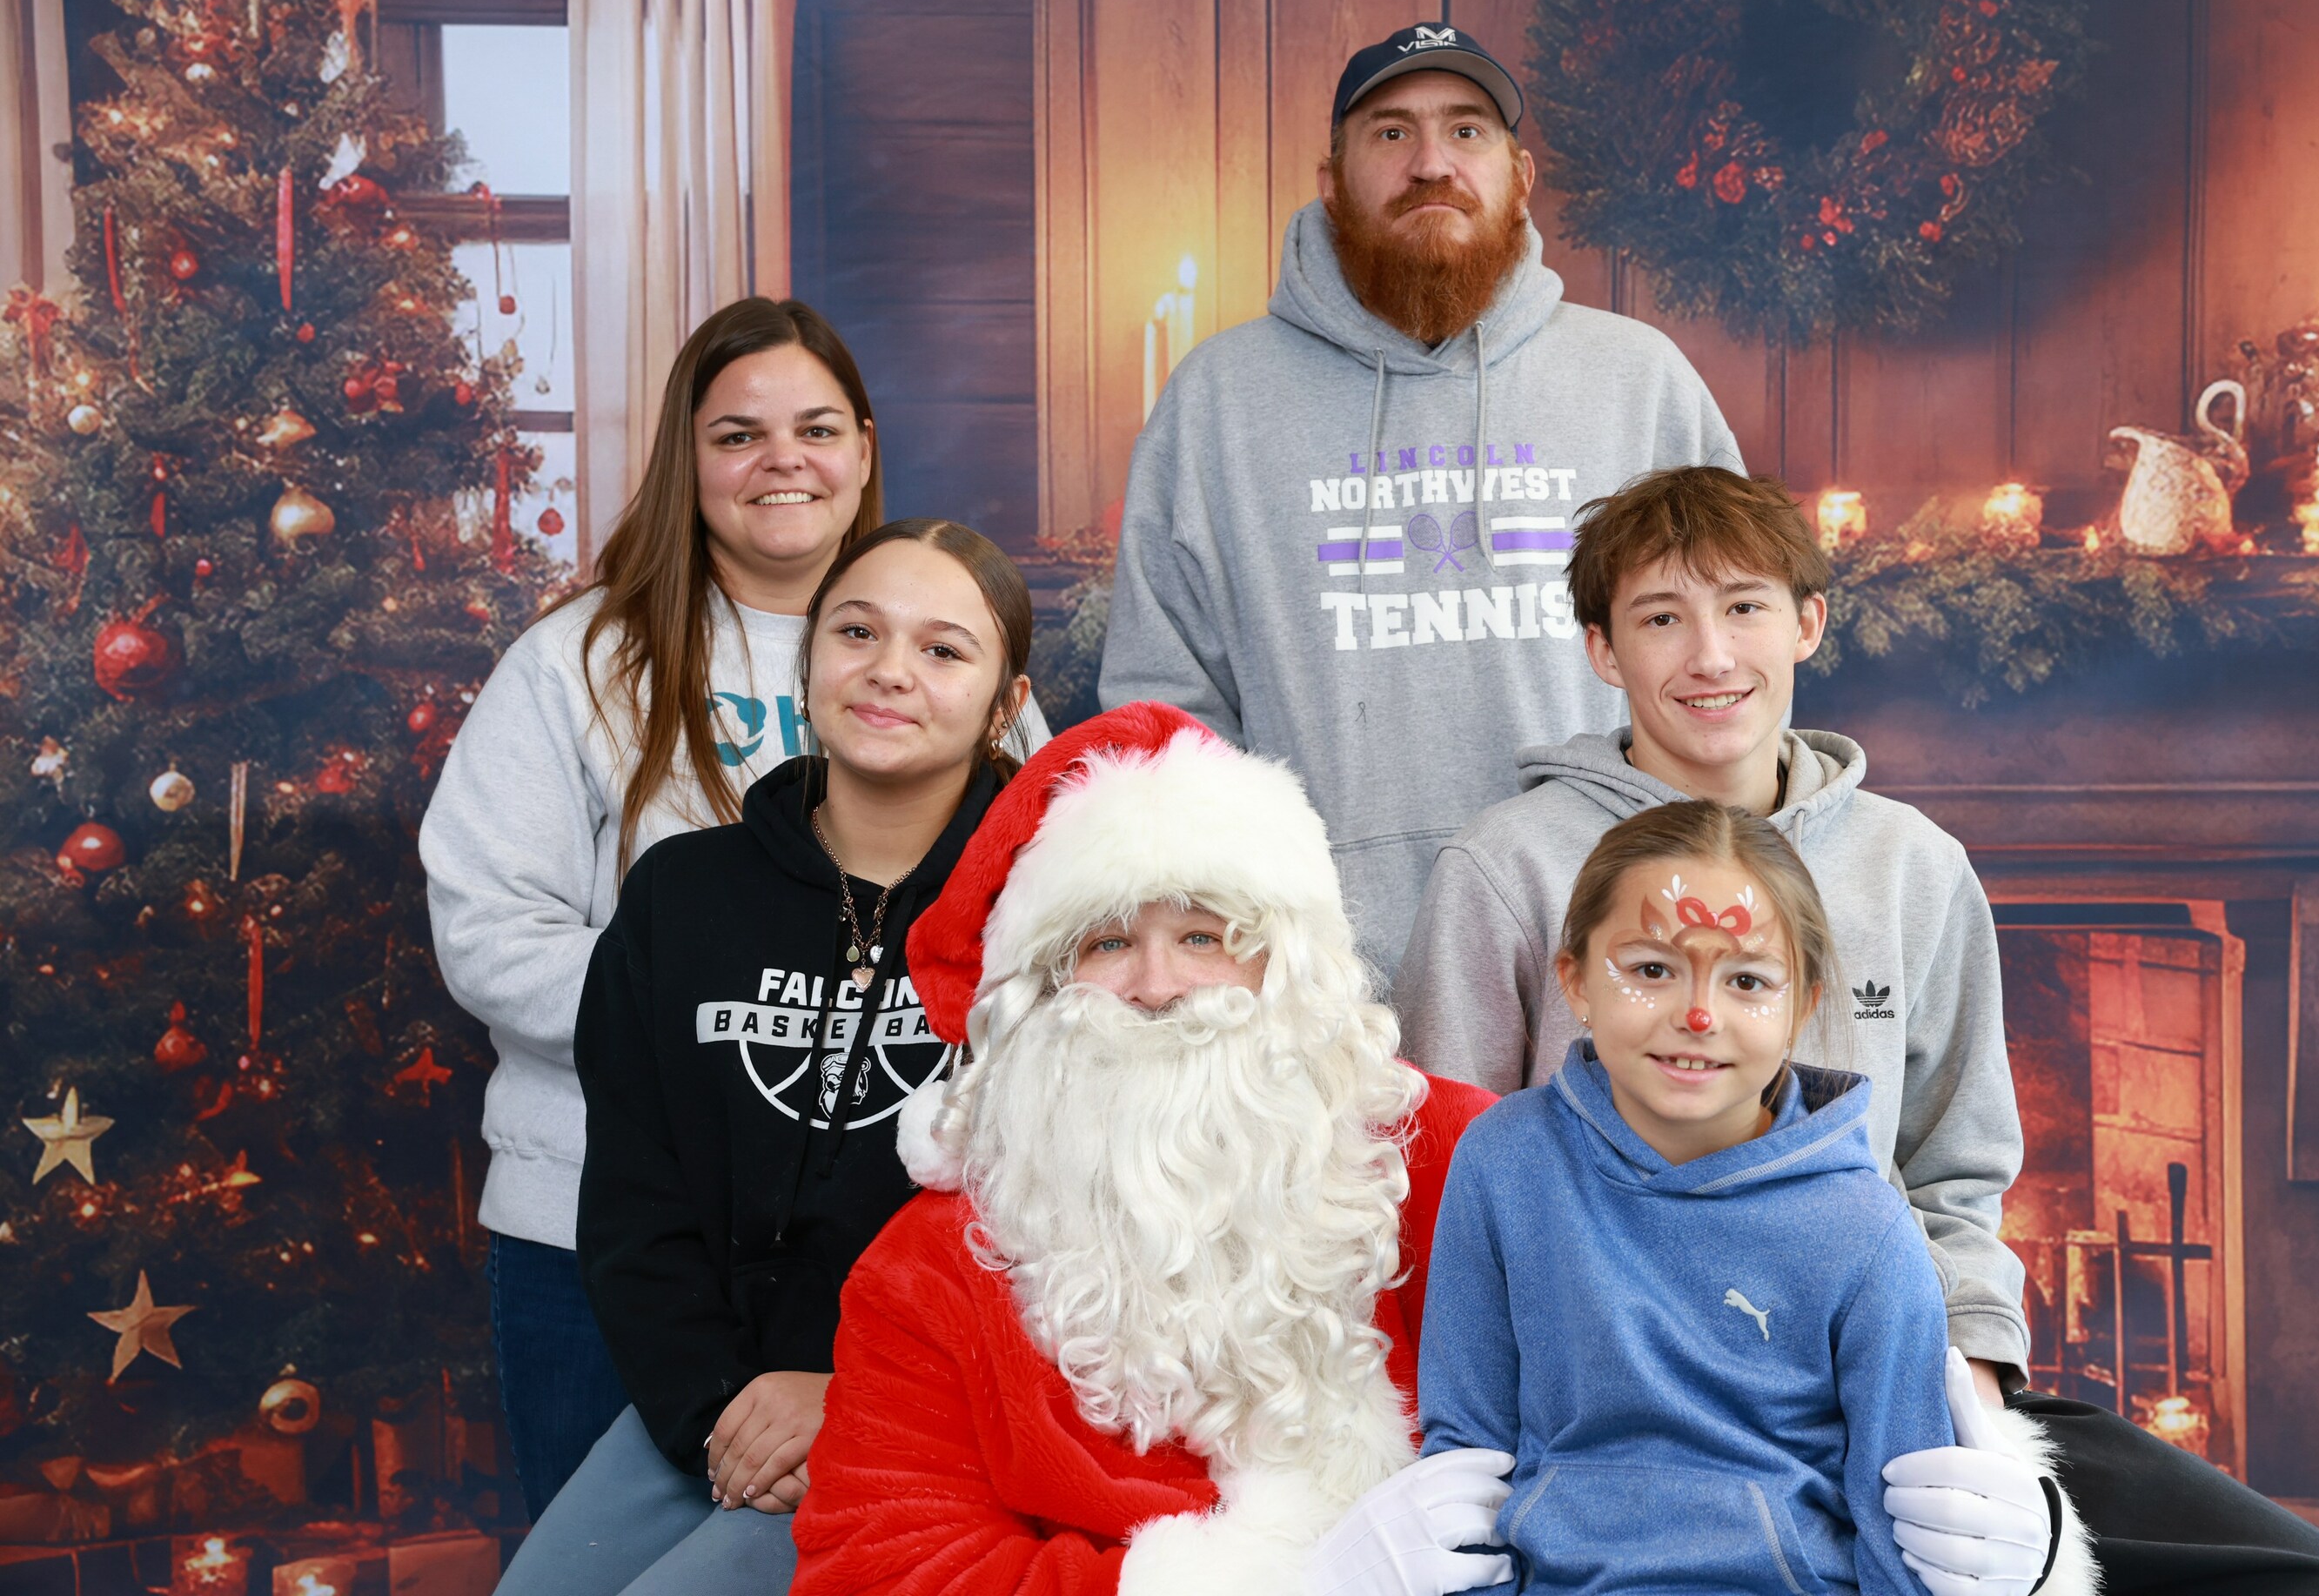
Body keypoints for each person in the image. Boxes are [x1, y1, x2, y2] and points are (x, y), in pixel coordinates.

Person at [1397, 465, 2319, 1596]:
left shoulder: (1914, 868)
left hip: (1891, 1377)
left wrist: (1972, 1384)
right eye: (1661, 619)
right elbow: (1441, 1183)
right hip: (1628, 1425)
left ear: (1808, 622)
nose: (1711, 656)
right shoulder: (1508, 869)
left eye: (1744, 607)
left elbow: (1955, 1170)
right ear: (1601, 648)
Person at [788, 702, 1516, 1596]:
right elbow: (876, 1571)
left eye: (1203, 937)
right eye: (1109, 943)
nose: (1158, 986)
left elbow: (1610, 1440)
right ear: (1042, 991)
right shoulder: (932, 1266)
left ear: (1284, 964)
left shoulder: (1456, 1154)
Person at [1098, 23, 1741, 975]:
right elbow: (1166, 706)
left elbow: (1730, 663)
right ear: (1332, 181)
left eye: (1467, 130)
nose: (1432, 163)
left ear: (1520, 177)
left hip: (1616, 945)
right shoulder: (1217, 402)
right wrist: (1242, 935)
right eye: (1392, 133)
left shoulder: (1639, 382)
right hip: (1312, 964)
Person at [492, 519, 1035, 1596]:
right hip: (717, 1403)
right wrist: (718, 1409)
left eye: (943, 649)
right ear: (810, 657)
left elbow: (1071, 1241)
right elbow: (635, 1201)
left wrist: (856, 1394)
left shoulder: (1056, 914)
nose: (890, 671)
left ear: (1005, 703)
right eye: (857, 632)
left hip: (936, 1420)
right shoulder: (680, 897)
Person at [421, 297, 886, 1517]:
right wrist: (721, 1023)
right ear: (689, 458)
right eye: (738, 435)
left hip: (881, 1236)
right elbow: (490, 934)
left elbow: (1031, 919)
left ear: (863, 450)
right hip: (598, 1228)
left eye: (816, 428)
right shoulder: (577, 663)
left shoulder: (946, 653)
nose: (783, 460)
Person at [1417, 801, 2094, 1596]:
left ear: (1803, 1006)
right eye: (1651, 970)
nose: (1698, 1015)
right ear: (1575, 981)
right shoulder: (1503, 1161)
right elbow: (1465, 1458)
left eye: (1746, 981)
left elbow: (1903, 1519)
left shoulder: (1865, 1229)